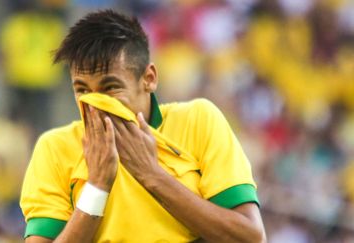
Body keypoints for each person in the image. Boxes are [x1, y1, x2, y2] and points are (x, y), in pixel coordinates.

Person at [20, 9, 266, 243]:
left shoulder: (198, 120)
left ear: (148, 79)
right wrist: (97, 186)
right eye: (82, 90)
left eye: (110, 87)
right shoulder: (54, 148)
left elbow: (251, 237)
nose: (94, 104)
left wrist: (151, 174)